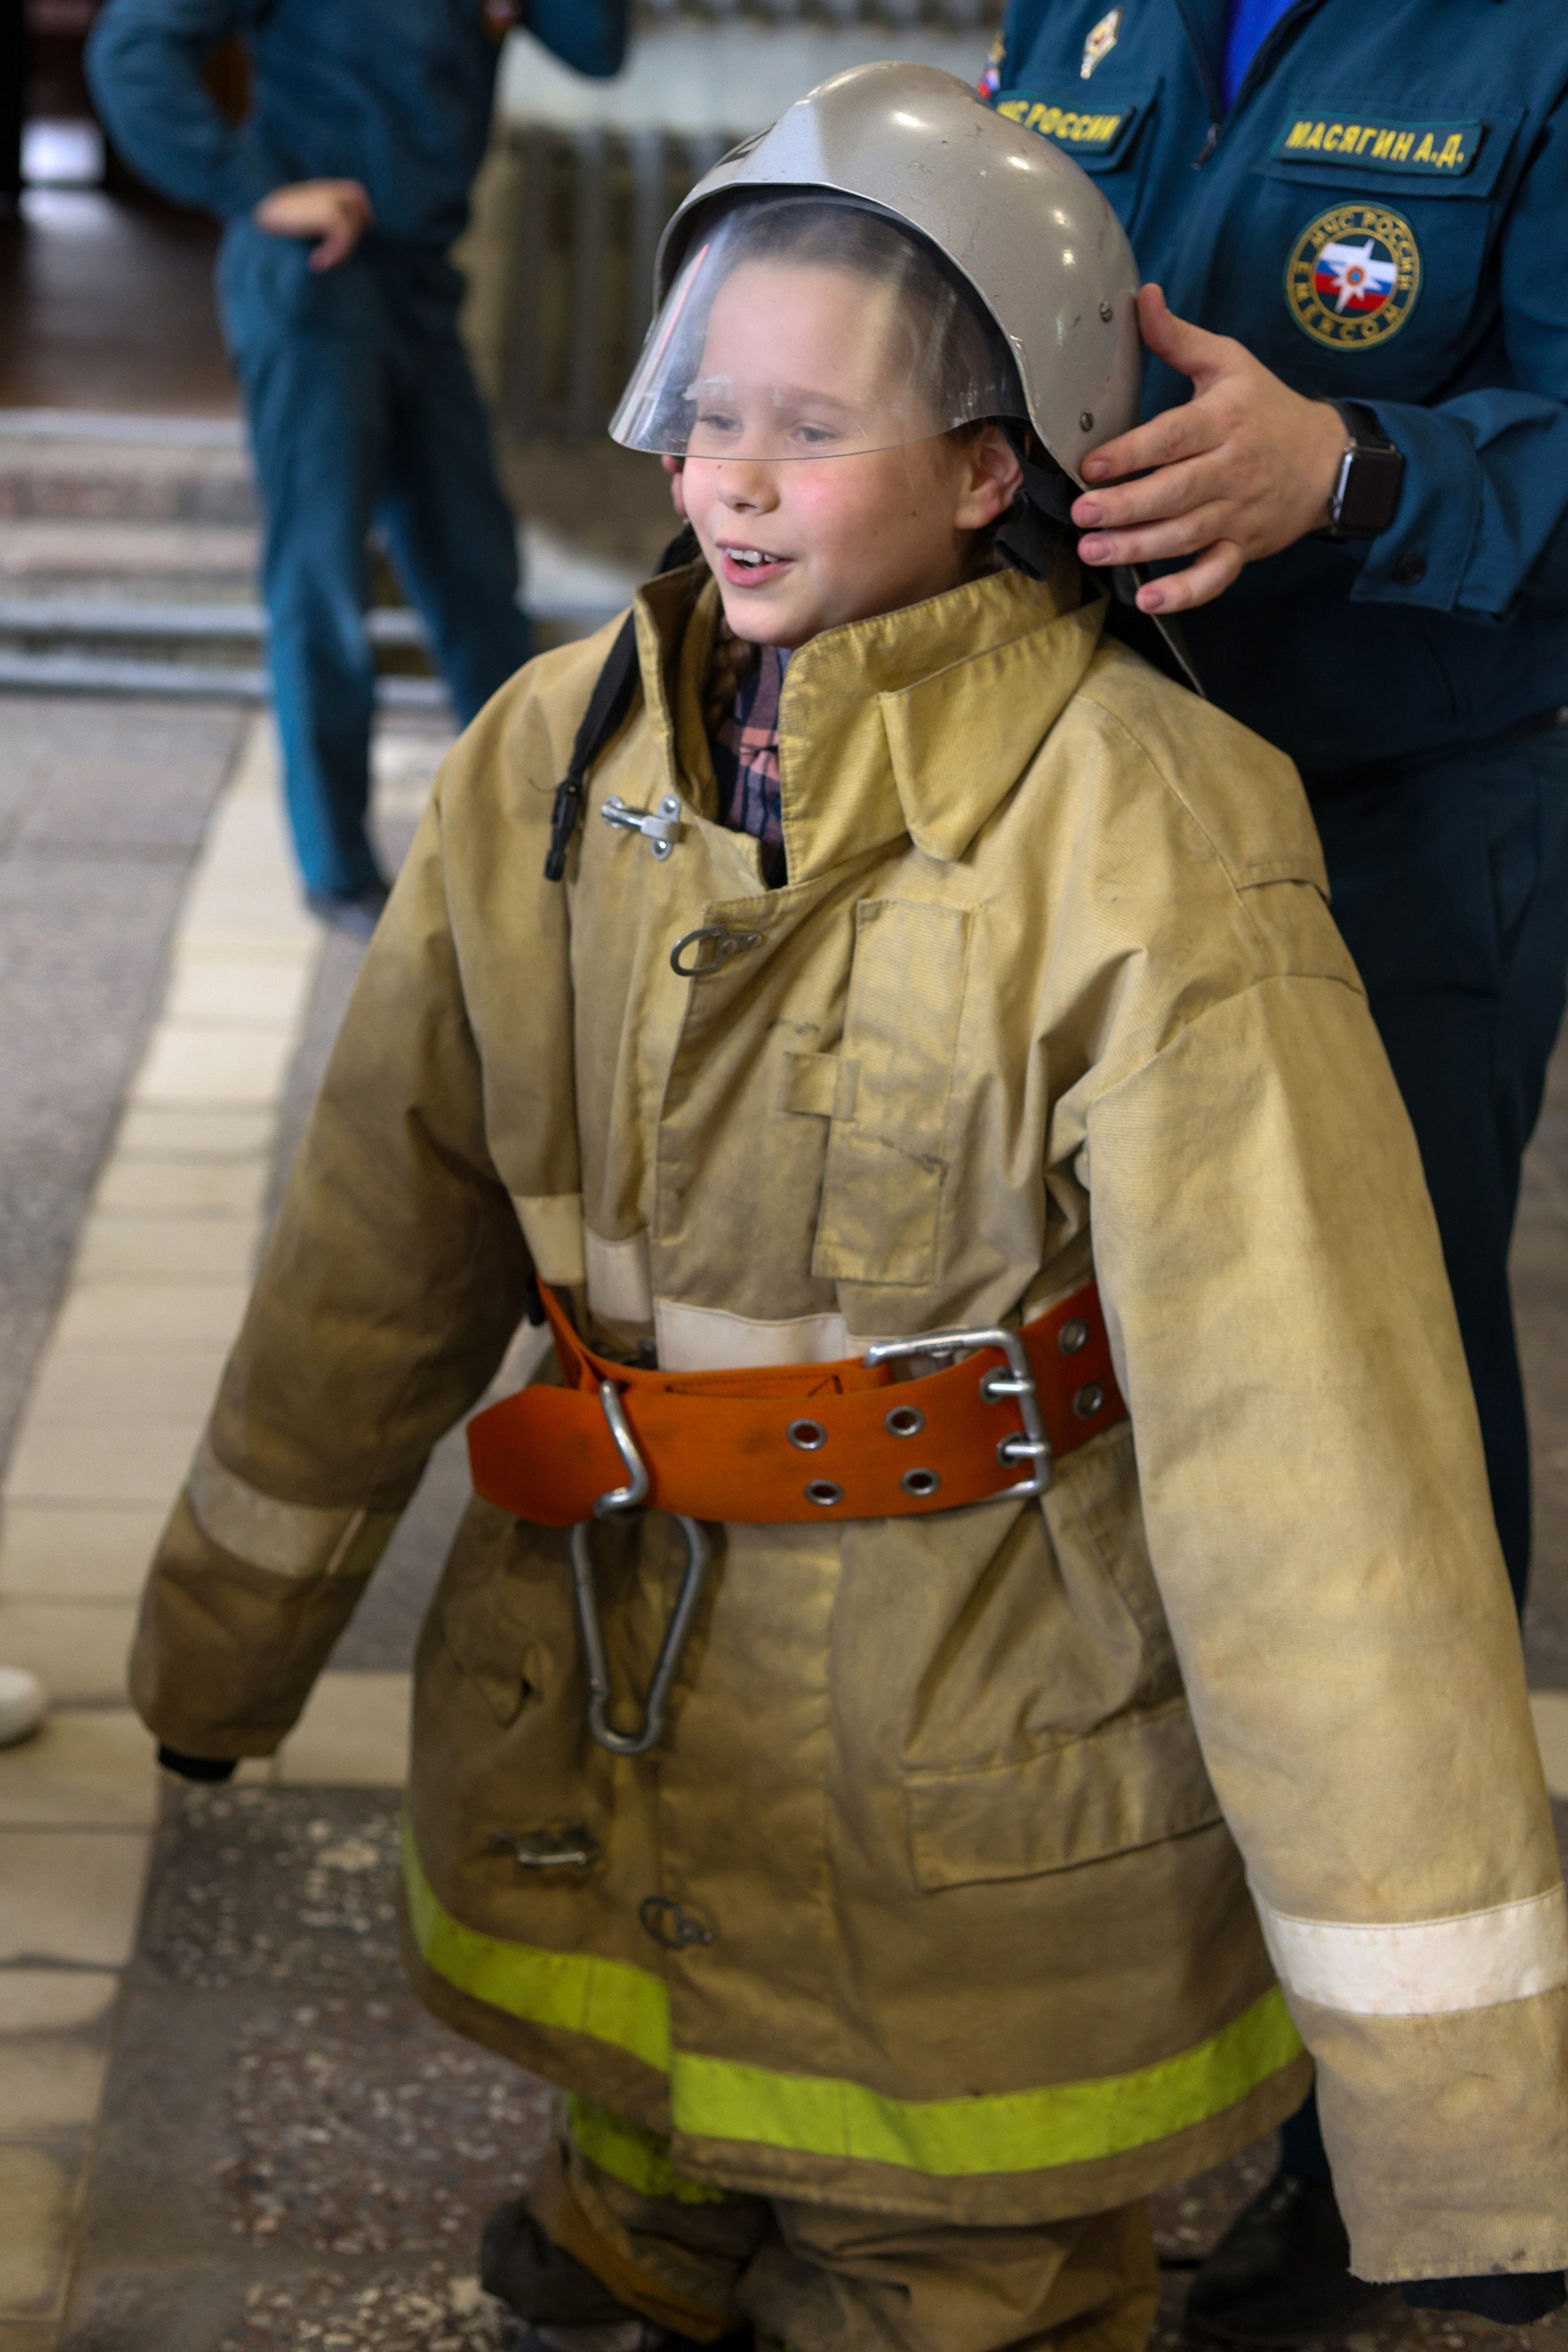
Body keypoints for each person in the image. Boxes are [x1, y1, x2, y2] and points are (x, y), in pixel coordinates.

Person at [128, 65, 1567, 2352]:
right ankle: (657, 2206)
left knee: (955, 2261)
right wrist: (220, 1642)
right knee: (648, 2064)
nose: (729, 476)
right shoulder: (554, 755)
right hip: (609, 1682)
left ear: (996, 467)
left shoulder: (1155, 836)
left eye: (812, 429)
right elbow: (366, 1255)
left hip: (975, 1786)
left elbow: (1321, 1477)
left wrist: (1461, 2125)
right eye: (706, 410)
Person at [981, 3, 1568, 2331]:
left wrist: (1354, 473)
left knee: (1375, 1419)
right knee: (1078, 1387)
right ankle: (1128, 2002)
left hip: (1407, 812)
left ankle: (1431, 2131)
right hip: (1078, 767)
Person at [85, 0, 629, 934]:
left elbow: (599, 47)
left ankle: (540, 835)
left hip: (420, 284)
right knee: (324, 584)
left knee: (476, 579)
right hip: (313, 277)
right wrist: (249, 188)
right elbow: (131, 50)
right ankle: (336, 869)